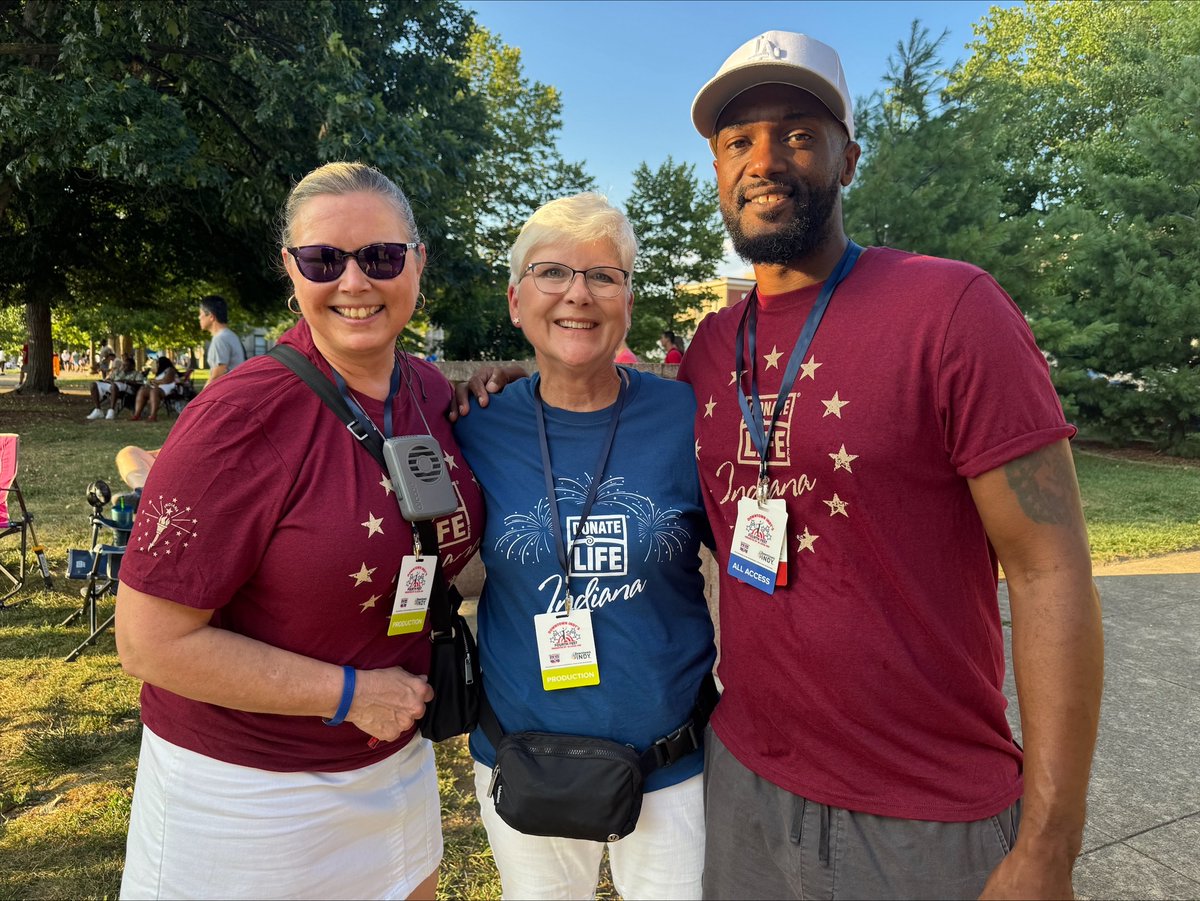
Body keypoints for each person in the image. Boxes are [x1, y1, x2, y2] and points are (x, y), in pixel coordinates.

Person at [679, 30, 1103, 900]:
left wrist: (1051, 842)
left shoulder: (951, 308)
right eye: (738, 140)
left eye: (799, 133)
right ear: (717, 170)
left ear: (849, 159)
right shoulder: (709, 347)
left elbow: (1051, 567)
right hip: (744, 784)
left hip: (924, 817)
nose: (764, 160)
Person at [115, 161, 484, 900]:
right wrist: (349, 693)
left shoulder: (427, 389)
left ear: (418, 262)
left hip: (395, 761)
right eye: (323, 259)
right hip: (247, 794)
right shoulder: (239, 415)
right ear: (291, 268)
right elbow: (148, 642)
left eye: (381, 256)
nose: (354, 281)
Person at [452, 193, 716, 900]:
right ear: (516, 301)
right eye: (551, 273)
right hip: (521, 756)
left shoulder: (688, 416)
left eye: (603, 275)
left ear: (628, 300)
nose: (578, 293)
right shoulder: (473, 425)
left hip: (671, 765)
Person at [198, 293, 246, 385]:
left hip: (228, 390)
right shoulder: (230, 335)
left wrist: (203, 393)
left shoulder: (220, 339)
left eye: (201, 314)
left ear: (211, 316)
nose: (199, 317)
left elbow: (217, 374)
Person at [86, 354, 142, 420]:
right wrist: (107, 381)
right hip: (113, 385)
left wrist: (125, 381)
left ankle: (111, 410)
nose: (124, 367)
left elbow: (139, 384)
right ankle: (98, 409)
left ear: (132, 366)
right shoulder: (118, 372)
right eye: (123, 365)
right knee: (93, 385)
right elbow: (109, 379)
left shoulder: (136, 373)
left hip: (127, 388)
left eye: (126, 365)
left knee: (114, 386)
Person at [128, 356, 179, 422]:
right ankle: (137, 414)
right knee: (142, 390)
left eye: (158, 363)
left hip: (167, 388)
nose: (157, 365)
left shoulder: (170, 370)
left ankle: (153, 415)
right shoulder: (161, 371)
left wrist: (155, 381)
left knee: (154, 391)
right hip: (157, 387)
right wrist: (154, 382)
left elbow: (166, 380)